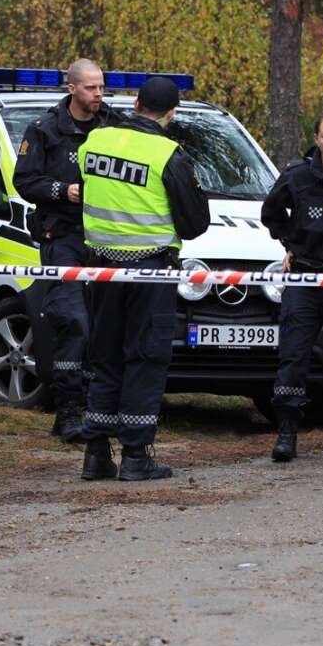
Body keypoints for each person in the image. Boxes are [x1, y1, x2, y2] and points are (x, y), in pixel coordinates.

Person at [76, 75, 210, 481]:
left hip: (101, 267)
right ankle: (136, 454)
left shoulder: (94, 141)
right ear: (172, 113)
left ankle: (96, 453)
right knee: (146, 356)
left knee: (104, 355)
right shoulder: (168, 154)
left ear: (135, 103)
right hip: (150, 270)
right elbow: (194, 223)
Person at [12, 58, 116, 442]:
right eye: (90, 88)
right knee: (72, 321)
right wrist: (62, 190)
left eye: (101, 87)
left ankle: (96, 407)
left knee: (102, 325)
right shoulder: (45, 129)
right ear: (72, 88)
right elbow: (24, 180)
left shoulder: (114, 126)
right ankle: (69, 409)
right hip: (63, 237)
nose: (98, 94)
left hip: (108, 238)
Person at [260, 108, 323, 462]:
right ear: (316, 139)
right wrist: (290, 243)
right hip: (304, 275)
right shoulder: (297, 175)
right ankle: (287, 432)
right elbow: (270, 213)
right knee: (293, 354)